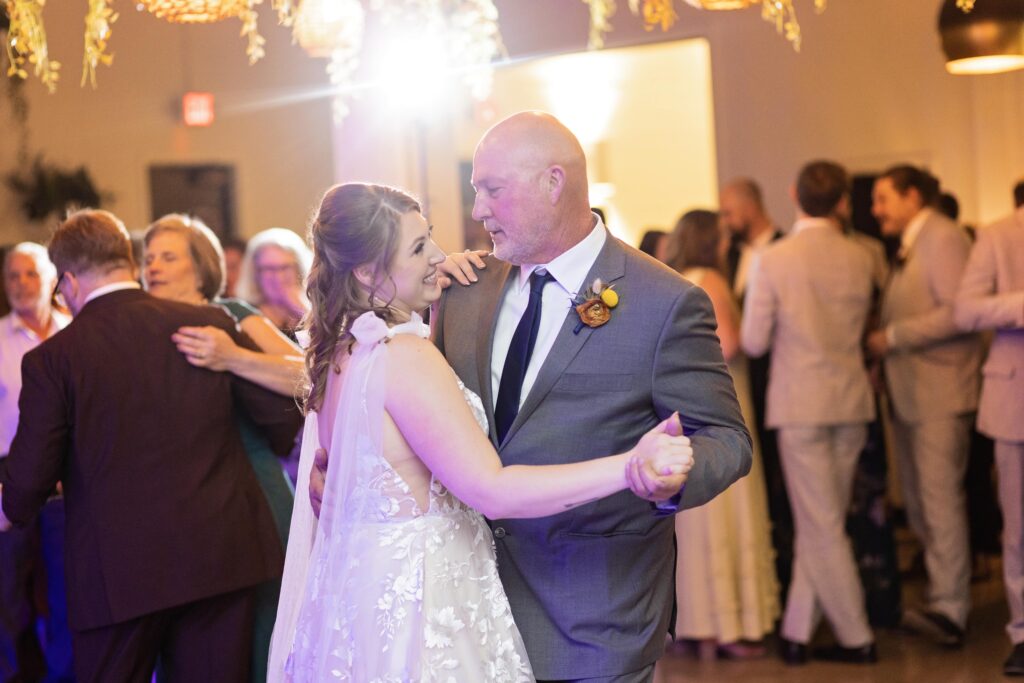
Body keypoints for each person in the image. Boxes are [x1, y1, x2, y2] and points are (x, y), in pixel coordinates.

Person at [310, 112, 752, 682]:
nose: (477, 211)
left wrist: (671, 476)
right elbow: (416, 420)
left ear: (553, 182)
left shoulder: (663, 302)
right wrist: (343, 471)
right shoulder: (465, 290)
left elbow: (727, 437)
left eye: (491, 189)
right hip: (464, 613)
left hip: (592, 616)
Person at [0, 209, 302, 682]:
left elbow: (30, 479)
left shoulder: (53, 359)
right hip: (219, 558)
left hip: (117, 576)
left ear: (70, 281)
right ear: (129, 260)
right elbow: (281, 423)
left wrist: (11, 504)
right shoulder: (205, 323)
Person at [141, 213, 302, 683]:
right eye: (149, 258)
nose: (154, 266)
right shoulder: (139, 326)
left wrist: (231, 356)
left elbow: (307, 373)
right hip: (177, 502)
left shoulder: (234, 314)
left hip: (253, 486)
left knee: (262, 631)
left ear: (202, 266)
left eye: (169, 257)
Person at [742, 160, 880, 664]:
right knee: (823, 518)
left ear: (794, 195)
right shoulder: (864, 256)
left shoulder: (776, 259)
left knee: (820, 523)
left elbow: (754, 341)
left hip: (799, 402)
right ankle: (797, 633)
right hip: (850, 400)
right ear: (843, 201)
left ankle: (857, 637)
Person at [866, 164, 983, 648]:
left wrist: (890, 338)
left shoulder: (942, 236)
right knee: (921, 500)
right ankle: (942, 596)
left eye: (883, 199)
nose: (875, 211)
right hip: (915, 393)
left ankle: (952, 608)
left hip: (941, 391)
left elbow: (960, 311)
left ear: (913, 196)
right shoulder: (919, 238)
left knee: (939, 502)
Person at [664, 210, 779, 660]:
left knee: (696, 521)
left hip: (686, 407)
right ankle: (730, 626)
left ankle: (698, 626)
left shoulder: (672, 277)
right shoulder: (710, 278)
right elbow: (730, 345)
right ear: (709, 241)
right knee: (728, 510)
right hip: (722, 402)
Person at [954, 198, 1024, 676]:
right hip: (1014, 399)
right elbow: (965, 310)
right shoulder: (999, 234)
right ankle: (1022, 630)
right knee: (1018, 524)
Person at [0, 243, 73, 682]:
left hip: (70, 479)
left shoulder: (75, 331)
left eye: (31, 274)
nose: (22, 283)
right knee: (6, 594)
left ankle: (66, 677)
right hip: (9, 475)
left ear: (52, 280)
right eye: (13, 275)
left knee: (69, 592)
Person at [236, 228, 313, 340]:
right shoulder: (245, 314)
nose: (278, 276)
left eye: (285, 267)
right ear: (255, 273)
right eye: (269, 269)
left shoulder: (316, 309)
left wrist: (302, 310)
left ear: (298, 268)